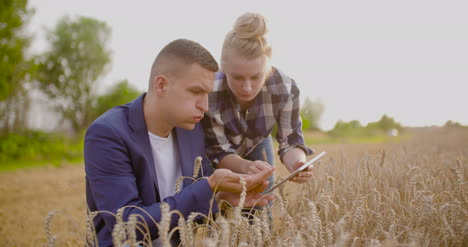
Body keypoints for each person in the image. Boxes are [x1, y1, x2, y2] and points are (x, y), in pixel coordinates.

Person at [84, 39, 274, 247]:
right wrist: (207, 187)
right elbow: (129, 225)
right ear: (162, 85)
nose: (204, 106)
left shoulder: (191, 132)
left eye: (207, 95)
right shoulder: (107, 134)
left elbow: (186, 210)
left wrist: (220, 197)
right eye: (195, 92)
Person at [201, 12, 314, 194]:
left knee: (261, 205)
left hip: (256, 143)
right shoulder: (209, 92)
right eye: (237, 77)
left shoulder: (285, 88)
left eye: (256, 77)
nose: (247, 87)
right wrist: (247, 167)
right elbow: (219, 152)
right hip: (213, 153)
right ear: (223, 66)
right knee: (215, 204)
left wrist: (297, 164)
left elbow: (291, 140)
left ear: (268, 68)